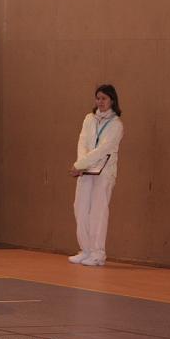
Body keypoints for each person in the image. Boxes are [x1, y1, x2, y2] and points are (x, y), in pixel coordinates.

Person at [68, 84, 124, 266]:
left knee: (98, 212)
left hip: (104, 173)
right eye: (98, 98)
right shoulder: (89, 119)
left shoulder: (116, 125)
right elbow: (82, 142)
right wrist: (81, 164)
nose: (100, 102)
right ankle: (85, 250)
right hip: (86, 170)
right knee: (80, 208)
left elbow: (103, 150)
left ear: (112, 101)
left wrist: (80, 164)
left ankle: (98, 254)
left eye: (104, 98)